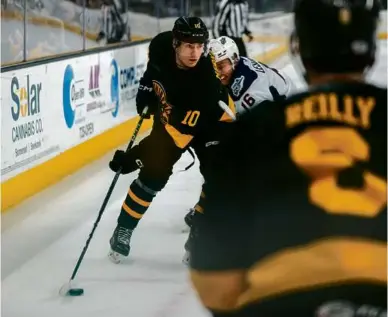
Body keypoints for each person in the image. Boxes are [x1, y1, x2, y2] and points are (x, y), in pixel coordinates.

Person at [188, 0, 387, 316]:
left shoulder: (254, 128)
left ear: (301, 51)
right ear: (371, 53)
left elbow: (214, 281)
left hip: (284, 299)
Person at [107, 16, 236, 263]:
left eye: (199, 46)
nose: (195, 52)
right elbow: (153, 74)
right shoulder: (160, 46)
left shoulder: (205, 82)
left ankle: (199, 233)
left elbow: (177, 136)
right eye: (189, 45)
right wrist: (146, 94)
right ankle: (123, 230)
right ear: (175, 43)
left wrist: (136, 157)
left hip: (213, 122)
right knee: (153, 176)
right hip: (173, 117)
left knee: (219, 174)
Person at [182, 35, 296, 245]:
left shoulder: (251, 89)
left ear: (234, 59)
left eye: (222, 66)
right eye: (214, 65)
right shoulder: (234, 70)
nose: (218, 71)